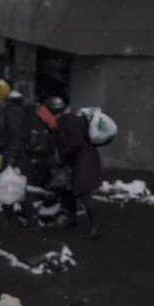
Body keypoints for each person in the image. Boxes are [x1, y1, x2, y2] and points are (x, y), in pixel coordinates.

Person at [52, 98, 105, 238]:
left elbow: (75, 142)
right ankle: (73, 219)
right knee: (68, 190)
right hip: (78, 160)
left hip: (83, 161)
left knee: (83, 192)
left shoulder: (68, 120)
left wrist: (61, 156)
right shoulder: (70, 119)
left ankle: (95, 226)